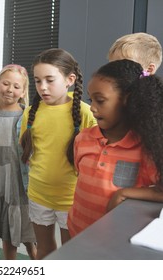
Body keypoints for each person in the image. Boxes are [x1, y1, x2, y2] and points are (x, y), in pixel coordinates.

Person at [67, 59, 163, 237]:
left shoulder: (146, 149)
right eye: (91, 100)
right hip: (76, 233)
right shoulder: (83, 139)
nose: (93, 108)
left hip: (114, 242)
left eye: (101, 100)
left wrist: (124, 193)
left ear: (128, 101)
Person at [19, 48, 96, 259]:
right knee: (44, 252)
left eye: (49, 80)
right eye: (37, 81)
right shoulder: (30, 112)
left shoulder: (86, 112)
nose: (42, 87)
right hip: (38, 196)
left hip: (72, 200)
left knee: (69, 255)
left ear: (70, 79)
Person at [0, 64, 37, 260]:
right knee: (6, 230)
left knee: (28, 232)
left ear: (23, 92)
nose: (10, 89)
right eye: (5, 83)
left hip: (20, 181)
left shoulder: (27, 117)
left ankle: (37, 260)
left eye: (16, 86)